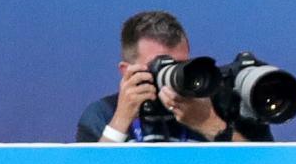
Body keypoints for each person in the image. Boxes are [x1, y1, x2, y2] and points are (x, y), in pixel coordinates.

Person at [75, 10, 273, 144]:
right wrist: (121, 121)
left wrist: (210, 124)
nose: (170, 78)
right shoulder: (102, 114)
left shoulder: (217, 107)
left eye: (180, 66)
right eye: (158, 67)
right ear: (126, 71)